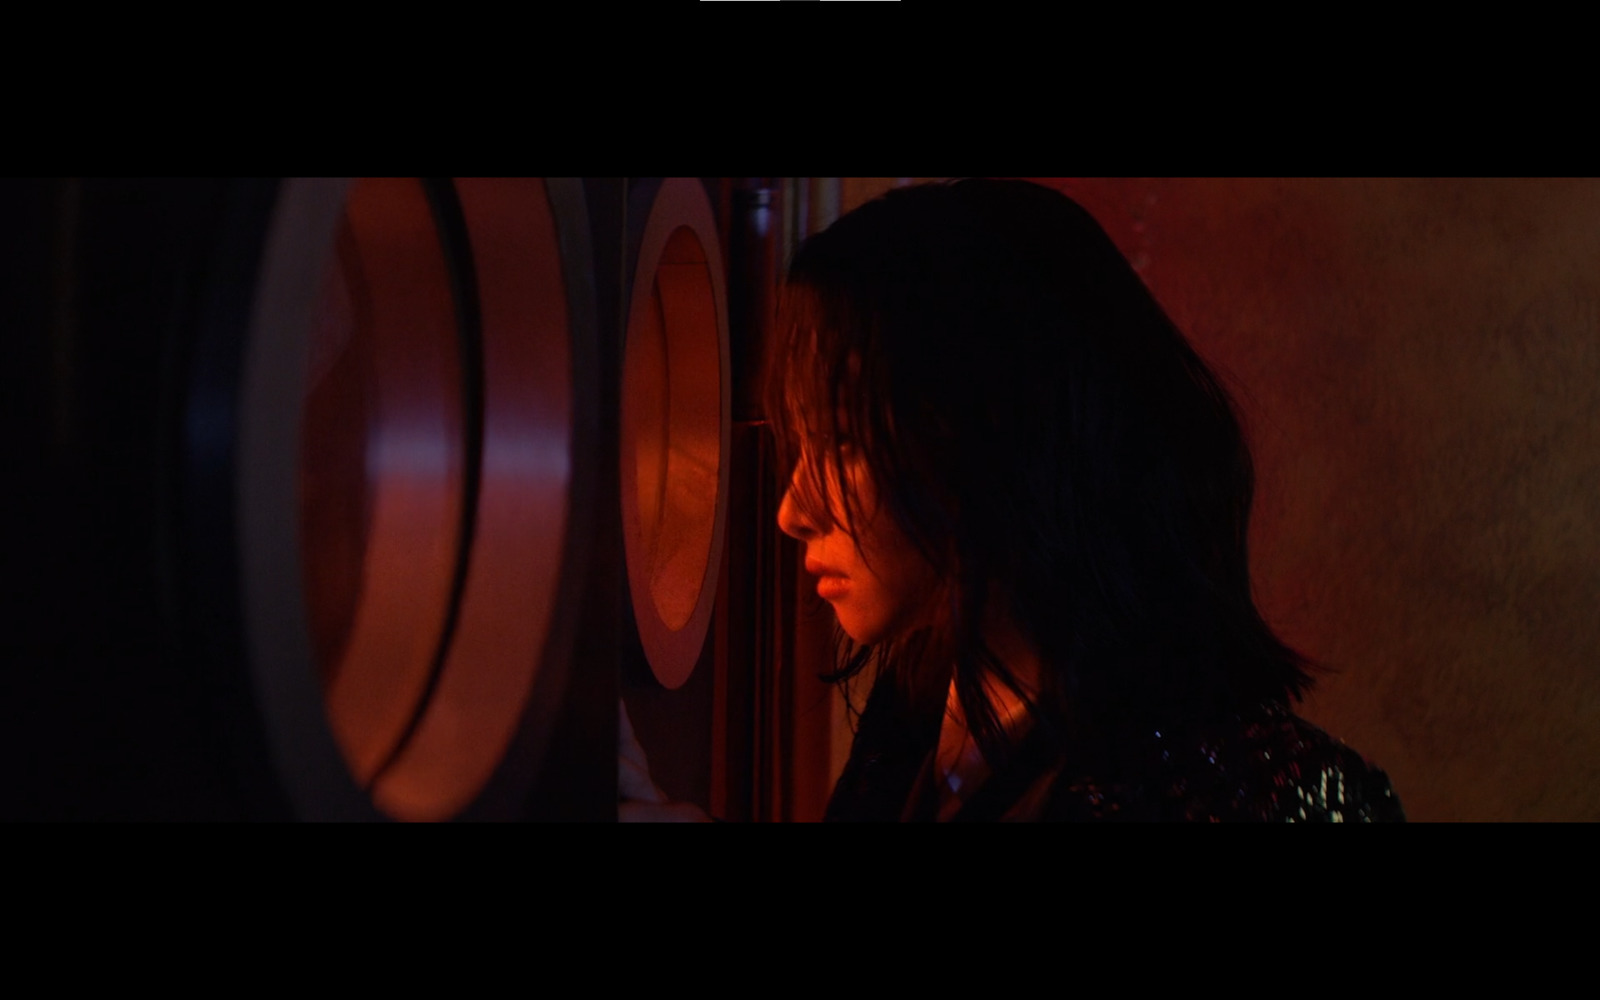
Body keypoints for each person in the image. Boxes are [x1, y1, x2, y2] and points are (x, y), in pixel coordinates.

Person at [766, 178, 1403, 821]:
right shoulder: (914, 718)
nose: (794, 513)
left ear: (995, 435)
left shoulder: (1270, 801)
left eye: (841, 442)